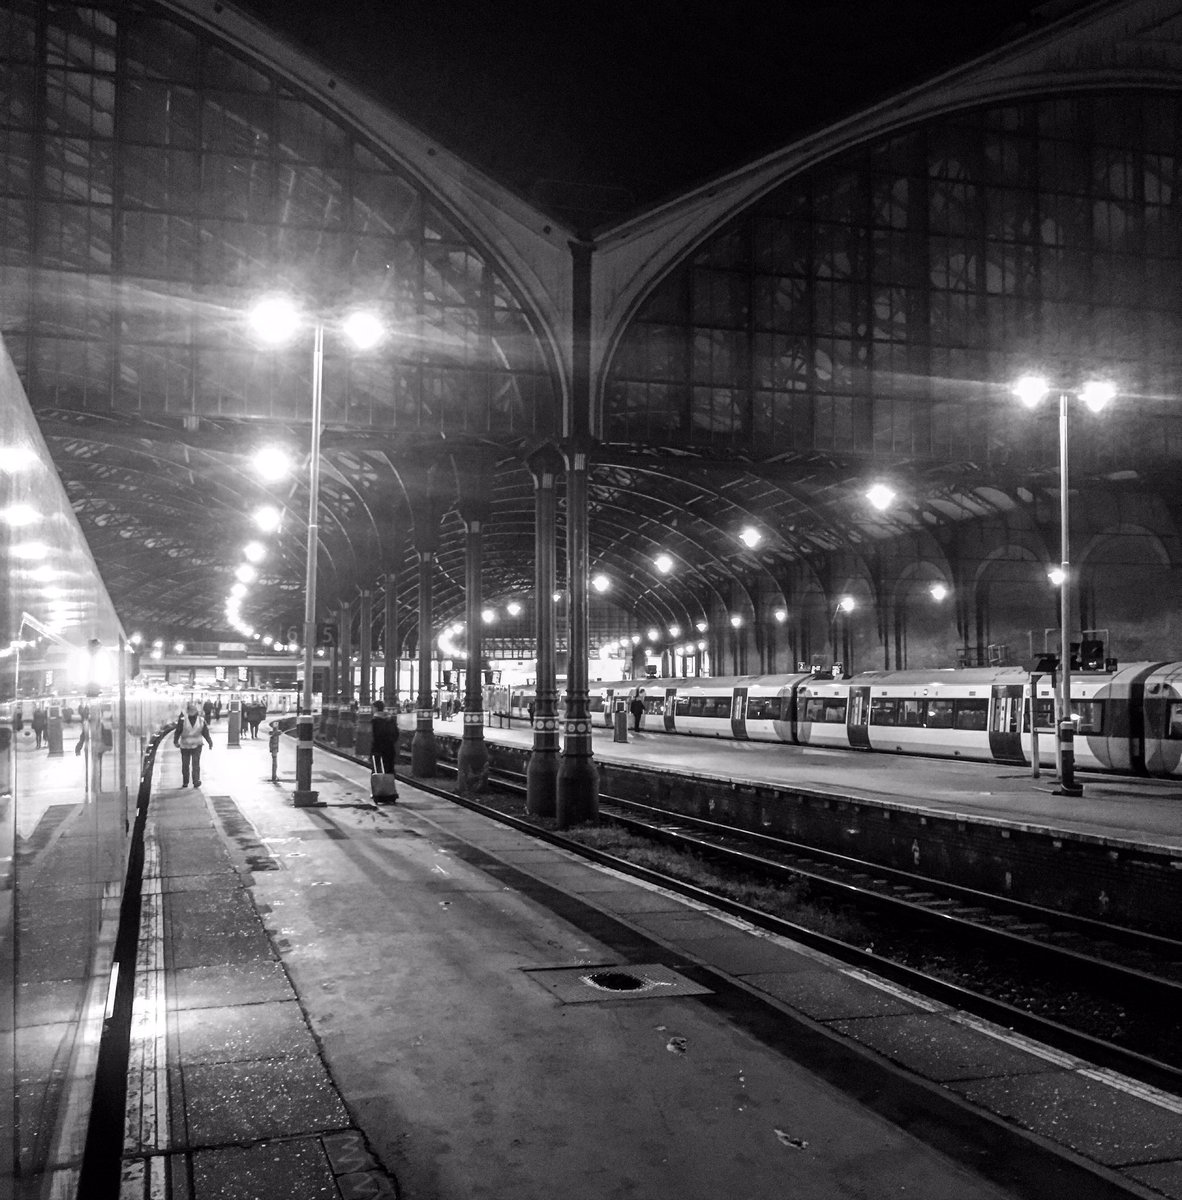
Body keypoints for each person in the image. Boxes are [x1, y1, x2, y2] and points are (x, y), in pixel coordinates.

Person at [174, 701, 213, 787]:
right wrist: (175, 741)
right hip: (186, 746)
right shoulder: (183, 720)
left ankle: (194, 781)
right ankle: (187, 781)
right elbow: (178, 731)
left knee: (193, 764)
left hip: (195, 746)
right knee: (187, 765)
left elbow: (205, 732)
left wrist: (209, 741)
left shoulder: (200, 720)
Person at [370, 700, 399, 801]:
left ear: (376, 708)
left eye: (373, 707)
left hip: (378, 749)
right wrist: (390, 743)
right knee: (389, 771)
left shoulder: (375, 720)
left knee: (377, 771)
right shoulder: (390, 719)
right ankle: (390, 793)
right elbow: (396, 734)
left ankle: (379, 793)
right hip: (390, 749)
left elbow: (374, 736)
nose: (371, 709)